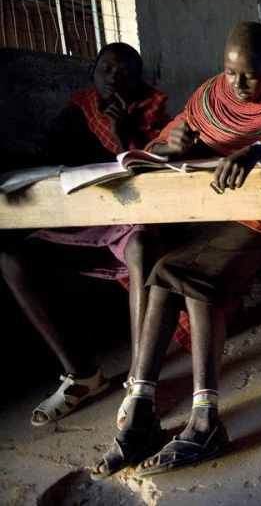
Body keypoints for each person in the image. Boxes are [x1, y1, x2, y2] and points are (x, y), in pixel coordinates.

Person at [91, 22, 261, 480]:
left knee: (193, 276)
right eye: (229, 73)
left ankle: (203, 423)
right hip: (214, 214)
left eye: (250, 76)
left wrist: (258, 151)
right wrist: (170, 144)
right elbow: (165, 142)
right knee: (163, 272)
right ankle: (142, 412)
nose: (237, 85)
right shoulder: (212, 100)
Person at [0, 43, 171, 426]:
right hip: (86, 222)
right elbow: (48, 151)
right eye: (106, 68)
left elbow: (158, 171)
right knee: (12, 259)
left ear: (139, 80)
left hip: (133, 222)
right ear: (92, 74)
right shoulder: (78, 111)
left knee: (143, 249)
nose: (114, 77)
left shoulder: (155, 114)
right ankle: (80, 375)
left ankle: (140, 382)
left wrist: (120, 130)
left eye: (126, 72)